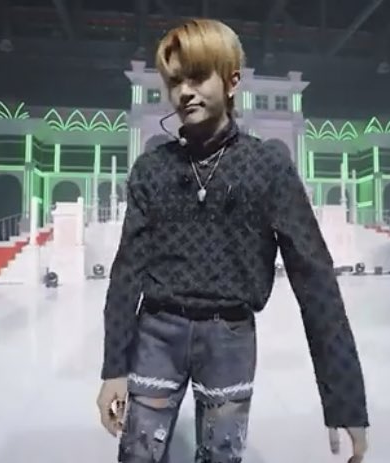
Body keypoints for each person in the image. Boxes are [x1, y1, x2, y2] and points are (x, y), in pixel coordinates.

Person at [96, 18, 369, 463]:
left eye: (198, 77)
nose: (185, 92)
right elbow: (127, 273)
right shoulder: (152, 169)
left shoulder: (268, 167)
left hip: (230, 339)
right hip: (155, 336)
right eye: (175, 81)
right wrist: (113, 368)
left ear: (231, 81)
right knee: (138, 455)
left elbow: (315, 278)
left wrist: (345, 401)